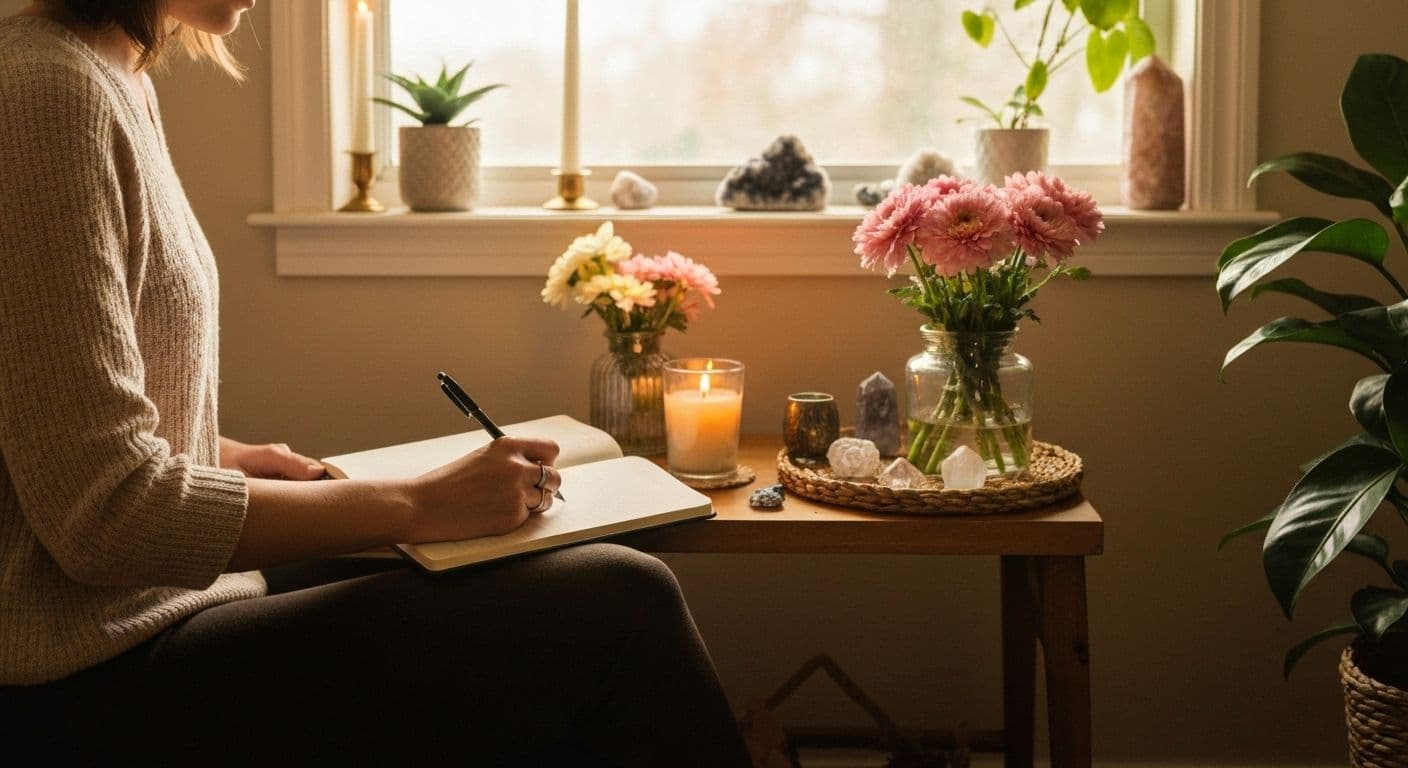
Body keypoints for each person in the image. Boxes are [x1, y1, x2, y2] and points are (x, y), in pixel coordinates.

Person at [0, 2, 753, 765]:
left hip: (160, 606)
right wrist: (422, 504)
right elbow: (106, 520)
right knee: (620, 602)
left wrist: (217, 454)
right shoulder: (45, 91)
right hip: (85, 672)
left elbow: (53, 405)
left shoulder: (116, 75)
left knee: (543, 574)